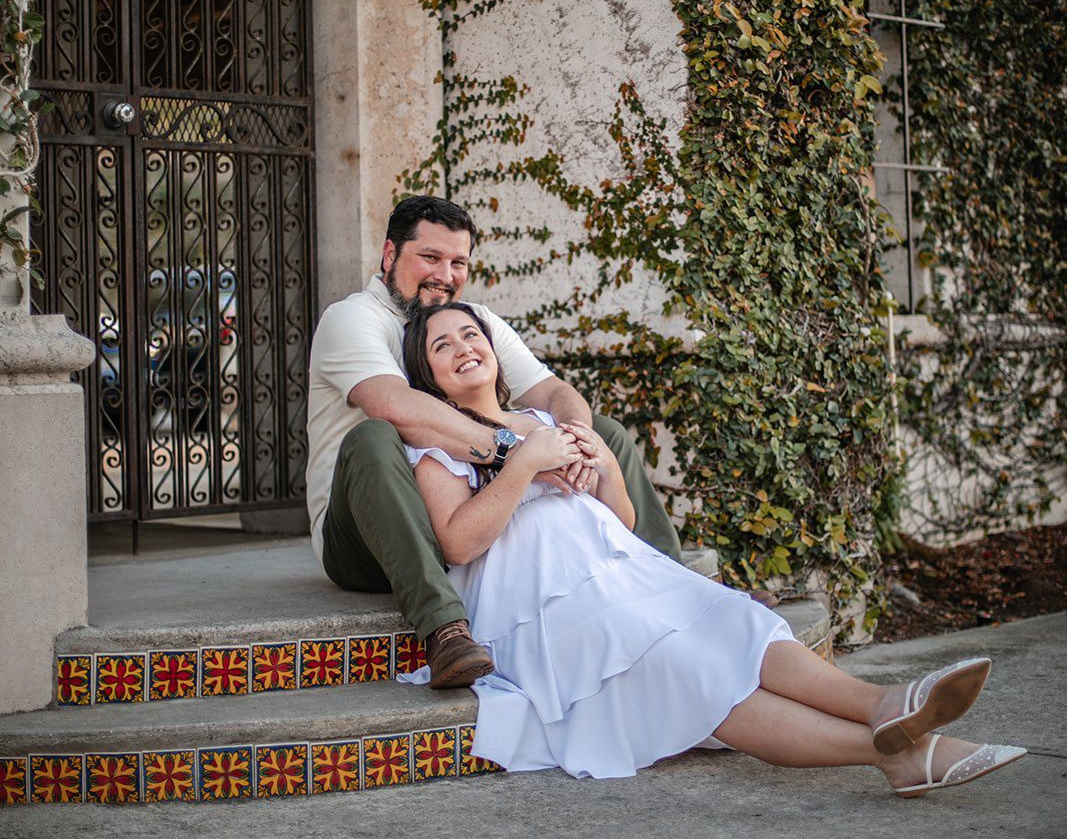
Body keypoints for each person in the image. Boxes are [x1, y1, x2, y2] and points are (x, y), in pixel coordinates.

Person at [396, 301, 1027, 794]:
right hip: (543, 606)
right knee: (696, 673)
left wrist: (603, 468)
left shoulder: (542, 423)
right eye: (441, 346)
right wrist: (524, 464)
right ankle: (902, 754)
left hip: (620, 574)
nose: (463, 348)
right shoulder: (436, 446)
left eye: (470, 335)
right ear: (429, 376)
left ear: (496, 351)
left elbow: (615, 520)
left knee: (739, 621)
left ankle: (887, 705)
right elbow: (459, 539)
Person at [306, 195, 681, 688]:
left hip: (459, 510)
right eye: (430, 257)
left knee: (603, 433)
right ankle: (445, 630)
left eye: (458, 261)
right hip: (364, 532)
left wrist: (573, 440)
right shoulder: (352, 319)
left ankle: (671, 583)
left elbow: (553, 391)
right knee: (375, 438)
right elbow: (400, 410)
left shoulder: (471, 319)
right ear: (389, 255)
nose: (445, 273)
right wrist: (520, 452)